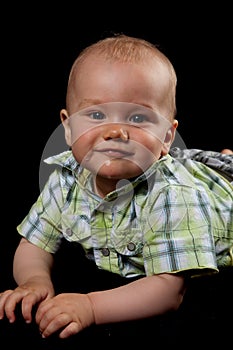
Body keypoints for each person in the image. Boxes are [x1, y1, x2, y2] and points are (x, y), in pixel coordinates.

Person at [0, 34, 232, 346]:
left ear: (166, 136)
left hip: (219, 210)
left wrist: (90, 306)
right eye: (96, 115)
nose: (115, 131)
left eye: (137, 118)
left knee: (214, 175)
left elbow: (167, 291)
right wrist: (34, 280)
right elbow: (34, 244)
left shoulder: (171, 196)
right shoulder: (66, 179)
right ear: (68, 128)